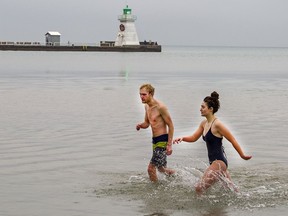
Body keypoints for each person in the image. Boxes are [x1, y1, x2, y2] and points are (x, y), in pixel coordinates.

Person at [173, 91, 252, 195]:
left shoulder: (217, 124)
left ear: (210, 109)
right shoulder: (204, 123)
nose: (200, 109)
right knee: (233, 192)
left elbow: (232, 140)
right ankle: (221, 211)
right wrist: (182, 138)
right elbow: (193, 137)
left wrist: (242, 155)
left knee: (199, 188)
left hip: (219, 163)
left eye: (203, 107)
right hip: (216, 164)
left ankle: (203, 211)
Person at [136, 84, 175, 182]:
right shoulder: (146, 107)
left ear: (151, 94)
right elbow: (147, 123)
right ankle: (178, 176)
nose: (141, 97)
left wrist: (169, 145)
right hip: (155, 141)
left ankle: (155, 189)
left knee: (150, 169)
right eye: (140, 94)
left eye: (144, 94)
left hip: (162, 140)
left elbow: (171, 126)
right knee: (161, 169)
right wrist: (141, 125)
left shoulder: (160, 107)